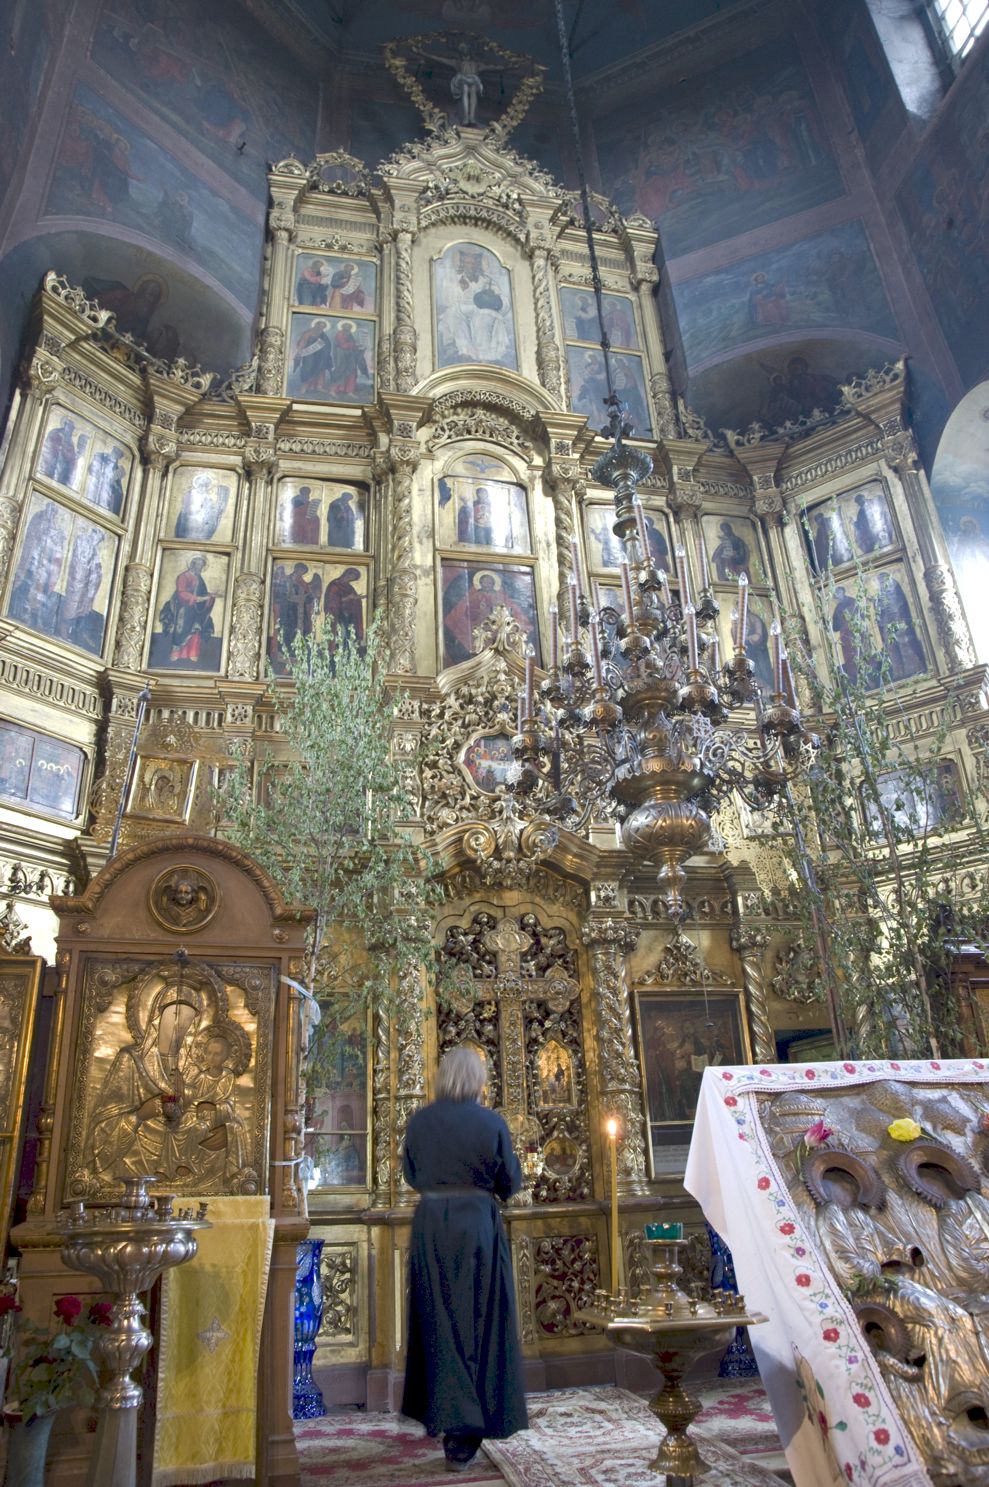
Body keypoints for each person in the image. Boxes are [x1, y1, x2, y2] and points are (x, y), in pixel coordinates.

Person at [402, 1047, 528, 1469]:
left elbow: (411, 1175)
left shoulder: (420, 1122)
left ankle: (448, 1419)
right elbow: (509, 1181)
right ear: (478, 1080)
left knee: (438, 1319)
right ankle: (469, 1426)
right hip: (477, 1226)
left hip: (432, 1224)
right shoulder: (491, 1122)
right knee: (479, 1321)